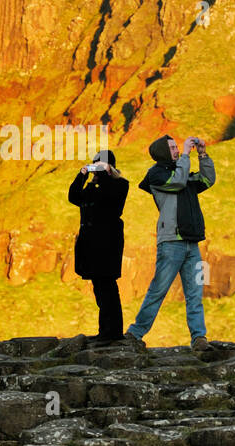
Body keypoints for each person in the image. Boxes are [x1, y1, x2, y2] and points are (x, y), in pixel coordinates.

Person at [124, 133, 216, 351]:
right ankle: (134, 333)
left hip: (191, 242)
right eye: (173, 147)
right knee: (159, 290)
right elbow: (178, 181)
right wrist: (186, 154)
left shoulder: (182, 172)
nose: (177, 150)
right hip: (171, 243)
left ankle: (199, 338)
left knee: (195, 293)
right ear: (164, 152)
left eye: (178, 147)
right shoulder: (156, 175)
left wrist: (203, 156)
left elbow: (207, 180)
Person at [67, 148, 129, 344]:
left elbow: (112, 197)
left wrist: (104, 174)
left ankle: (113, 333)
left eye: (100, 165)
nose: (97, 170)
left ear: (110, 167)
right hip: (91, 245)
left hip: (107, 245)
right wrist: (82, 175)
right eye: (95, 165)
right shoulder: (91, 188)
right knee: (100, 289)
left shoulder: (120, 185)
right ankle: (105, 331)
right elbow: (73, 196)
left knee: (108, 287)